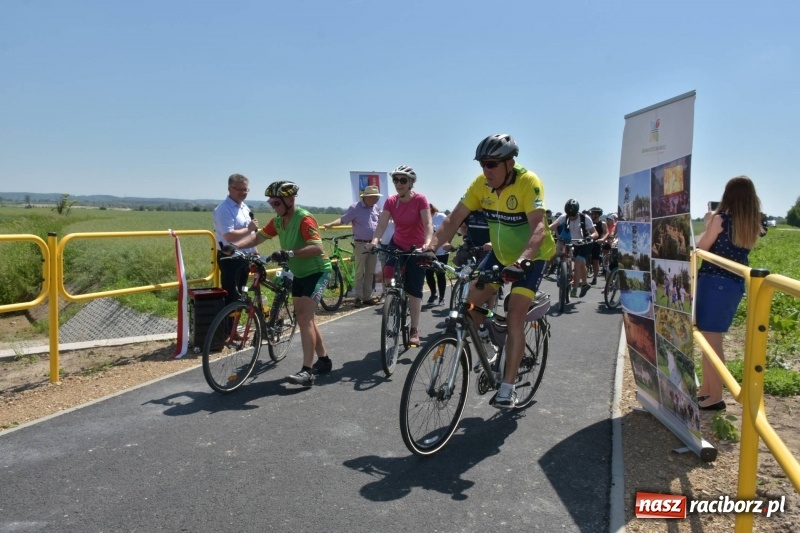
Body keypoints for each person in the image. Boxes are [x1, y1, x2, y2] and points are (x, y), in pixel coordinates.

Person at [425, 133, 556, 408]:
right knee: (469, 307)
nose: (486, 170)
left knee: (515, 315)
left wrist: (522, 261)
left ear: (510, 163)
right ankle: (486, 342)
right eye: (482, 164)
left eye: (492, 164)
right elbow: (452, 220)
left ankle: (508, 389)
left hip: (531, 257)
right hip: (499, 254)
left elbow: (539, 228)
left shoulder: (528, 182)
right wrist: (430, 248)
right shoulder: (481, 185)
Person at [226, 180, 333, 387]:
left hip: (317, 272)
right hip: (299, 273)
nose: (273, 207)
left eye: (276, 203)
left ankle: (307, 372)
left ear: (290, 200)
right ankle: (324, 360)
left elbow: (318, 248)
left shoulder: (304, 219)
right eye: (271, 203)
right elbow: (258, 237)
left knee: (304, 319)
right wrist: (234, 246)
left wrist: (288, 253)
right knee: (305, 319)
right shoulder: (278, 221)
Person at [695, 176, 763, 410]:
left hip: (713, 281)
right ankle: (707, 389)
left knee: (711, 342)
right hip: (733, 283)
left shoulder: (720, 219)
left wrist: (708, 223)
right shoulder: (752, 222)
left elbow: (702, 246)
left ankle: (715, 396)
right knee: (710, 340)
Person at [367, 165, 432, 346]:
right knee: (388, 274)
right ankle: (393, 301)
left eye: (403, 180)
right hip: (397, 243)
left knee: (414, 291)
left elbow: (428, 224)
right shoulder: (391, 201)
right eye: (395, 180)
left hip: (416, 247)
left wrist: (427, 243)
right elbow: (381, 224)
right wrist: (374, 241)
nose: (398, 184)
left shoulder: (420, 200)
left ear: (411, 182)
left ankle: (414, 329)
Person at [323, 185, 382, 307]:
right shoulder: (355, 207)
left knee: (370, 272)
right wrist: (330, 224)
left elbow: (381, 223)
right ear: (368, 197)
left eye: (377, 197)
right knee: (360, 271)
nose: (377, 199)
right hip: (361, 243)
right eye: (375, 197)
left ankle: (367, 297)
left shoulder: (376, 208)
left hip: (373, 244)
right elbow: (343, 219)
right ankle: (359, 297)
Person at [213, 174, 261, 306]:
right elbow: (229, 236)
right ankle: (228, 320)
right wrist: (249, 228)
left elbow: (251, 235)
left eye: (245, 189)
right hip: (230, 258)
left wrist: (255, 252)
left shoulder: (245, 208)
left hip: (244, 257)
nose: (243, 192)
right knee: (231, 296)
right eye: (239, 189)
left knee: (240, 295)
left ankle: (236, 318)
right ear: (229, 189)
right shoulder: (223, 209)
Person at [549, 199, 598, 298]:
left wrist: (590, 237)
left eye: (573, 215)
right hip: (575, 243)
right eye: (569, 215)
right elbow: (552, 226)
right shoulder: (564, 216)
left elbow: (595, 233)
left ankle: (574, 289)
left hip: (586, 243)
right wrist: (543, 230)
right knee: (581, 265)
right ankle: (584, 284)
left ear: (577, 212)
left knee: (577, 263)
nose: (571, 217)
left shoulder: (585, 218)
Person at [425, 204, 449, 306]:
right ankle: (433, 294)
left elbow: (450, 229)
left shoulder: (441, 216)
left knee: (440, 274)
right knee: (429, 273)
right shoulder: (423, 217)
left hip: (442, 251)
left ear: (431, 208)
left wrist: (448, 242)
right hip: (429, 250)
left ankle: (442, 297)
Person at [588, 207, 608, 285]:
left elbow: (606, 233)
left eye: (592, 214)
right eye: (590, 214)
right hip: (587, 243)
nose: (591, 215)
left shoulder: (602, 223)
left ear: (597, 215)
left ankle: (595, 278)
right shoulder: (589, 222)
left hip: (596, 243)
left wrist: (602, 239)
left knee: (595, 261)